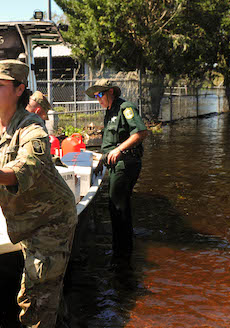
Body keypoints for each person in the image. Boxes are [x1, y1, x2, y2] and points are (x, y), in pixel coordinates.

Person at [0, 59, 77, 328]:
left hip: (49, 221)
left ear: (20, 90)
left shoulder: (33, 130)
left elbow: (25, 169)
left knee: (34, 300)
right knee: (48, 290)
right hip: (22, 215)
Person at [86, 79, 149, 271]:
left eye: (100, 95)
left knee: (118, 205)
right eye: (95, 96)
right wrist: (102, 162)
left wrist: (119, 150)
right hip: (114, 164)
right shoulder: (109, 112)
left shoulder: (125, 108)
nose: (98, 99)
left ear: (111, 92)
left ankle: (122, 254)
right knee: (116, 206)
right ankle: (120, 249)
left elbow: (141, 132)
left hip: (126, 163)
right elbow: (110, 144)